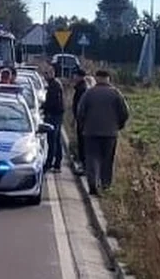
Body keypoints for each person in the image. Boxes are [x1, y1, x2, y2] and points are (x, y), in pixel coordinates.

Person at [75, 69, 130, 197]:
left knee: (92, 158)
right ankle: (105, 185)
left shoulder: (89, 93)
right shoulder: (116, 94)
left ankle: (92, 183)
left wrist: (83, 126)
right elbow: (125, 112)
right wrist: (119, 125)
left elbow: (80, 112)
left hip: (90, 132)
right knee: (107, 160)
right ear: (108, 79)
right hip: (110, 133)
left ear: (97, 78)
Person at [42, 69, 66, 172]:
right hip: (56, 115)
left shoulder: (54, 86)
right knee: (56, 139)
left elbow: (53, 102)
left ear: (52, 74)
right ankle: (57, 163)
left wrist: (45, 108)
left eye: (46, 74)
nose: (45, 76)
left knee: (52, 139)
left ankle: (50, 162)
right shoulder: (54, 84)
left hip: (53, 115)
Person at [70, 68, 90, 172]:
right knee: (81, 142)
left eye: (75, 75)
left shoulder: (82, 89)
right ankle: (83, 163)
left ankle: (84, 165)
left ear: (80, 76)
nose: (74, 77)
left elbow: (80, 106)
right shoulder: (80, 87)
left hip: (82, 121)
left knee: (82, 142)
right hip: (81, 119)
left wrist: (77, 118)